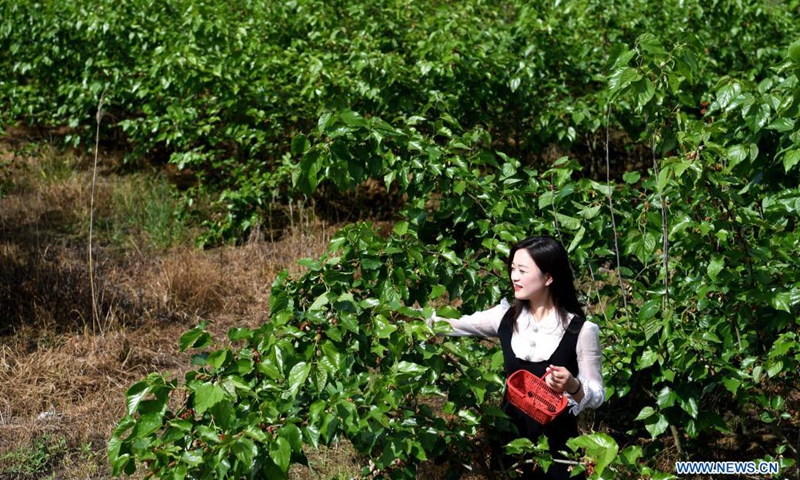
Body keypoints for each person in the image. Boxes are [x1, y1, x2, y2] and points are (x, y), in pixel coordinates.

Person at [430, 236, 604, 480]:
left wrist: (573, 385)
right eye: (512, 269)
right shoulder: (504, 317)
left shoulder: (581, 330)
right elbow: (450, 324)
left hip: (557, 451)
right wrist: (407, 318)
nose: (514, 277)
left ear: (548, 277)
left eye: (522, 270)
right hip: (511, 447)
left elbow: (597, 394)